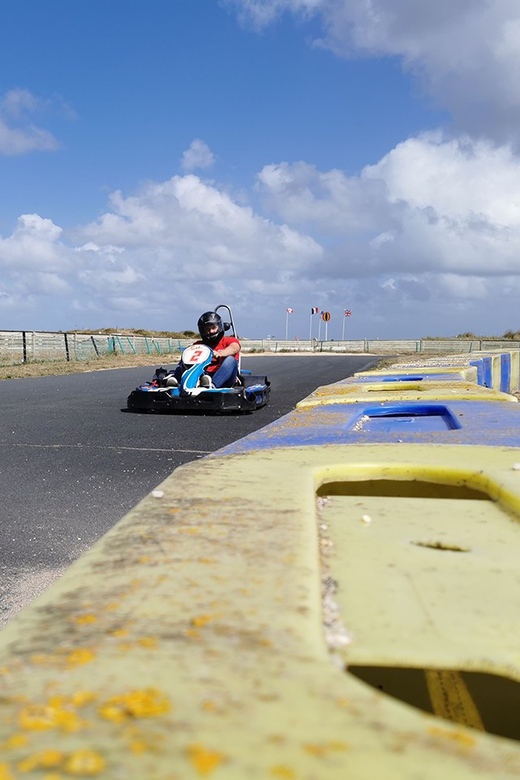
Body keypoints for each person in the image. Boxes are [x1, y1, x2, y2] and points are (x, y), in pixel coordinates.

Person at [167, 311, 240, 389]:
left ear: (219, 327)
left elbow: (234, 348)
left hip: (225, 377)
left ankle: (213, 385)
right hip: (204, 376)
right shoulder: (198, 345)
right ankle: (176, 380)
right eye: (207, 329)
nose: (211, 331)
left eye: (213, 328)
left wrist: (220, 353)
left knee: (231, 360)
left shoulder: (229, 341)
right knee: (185, 357)